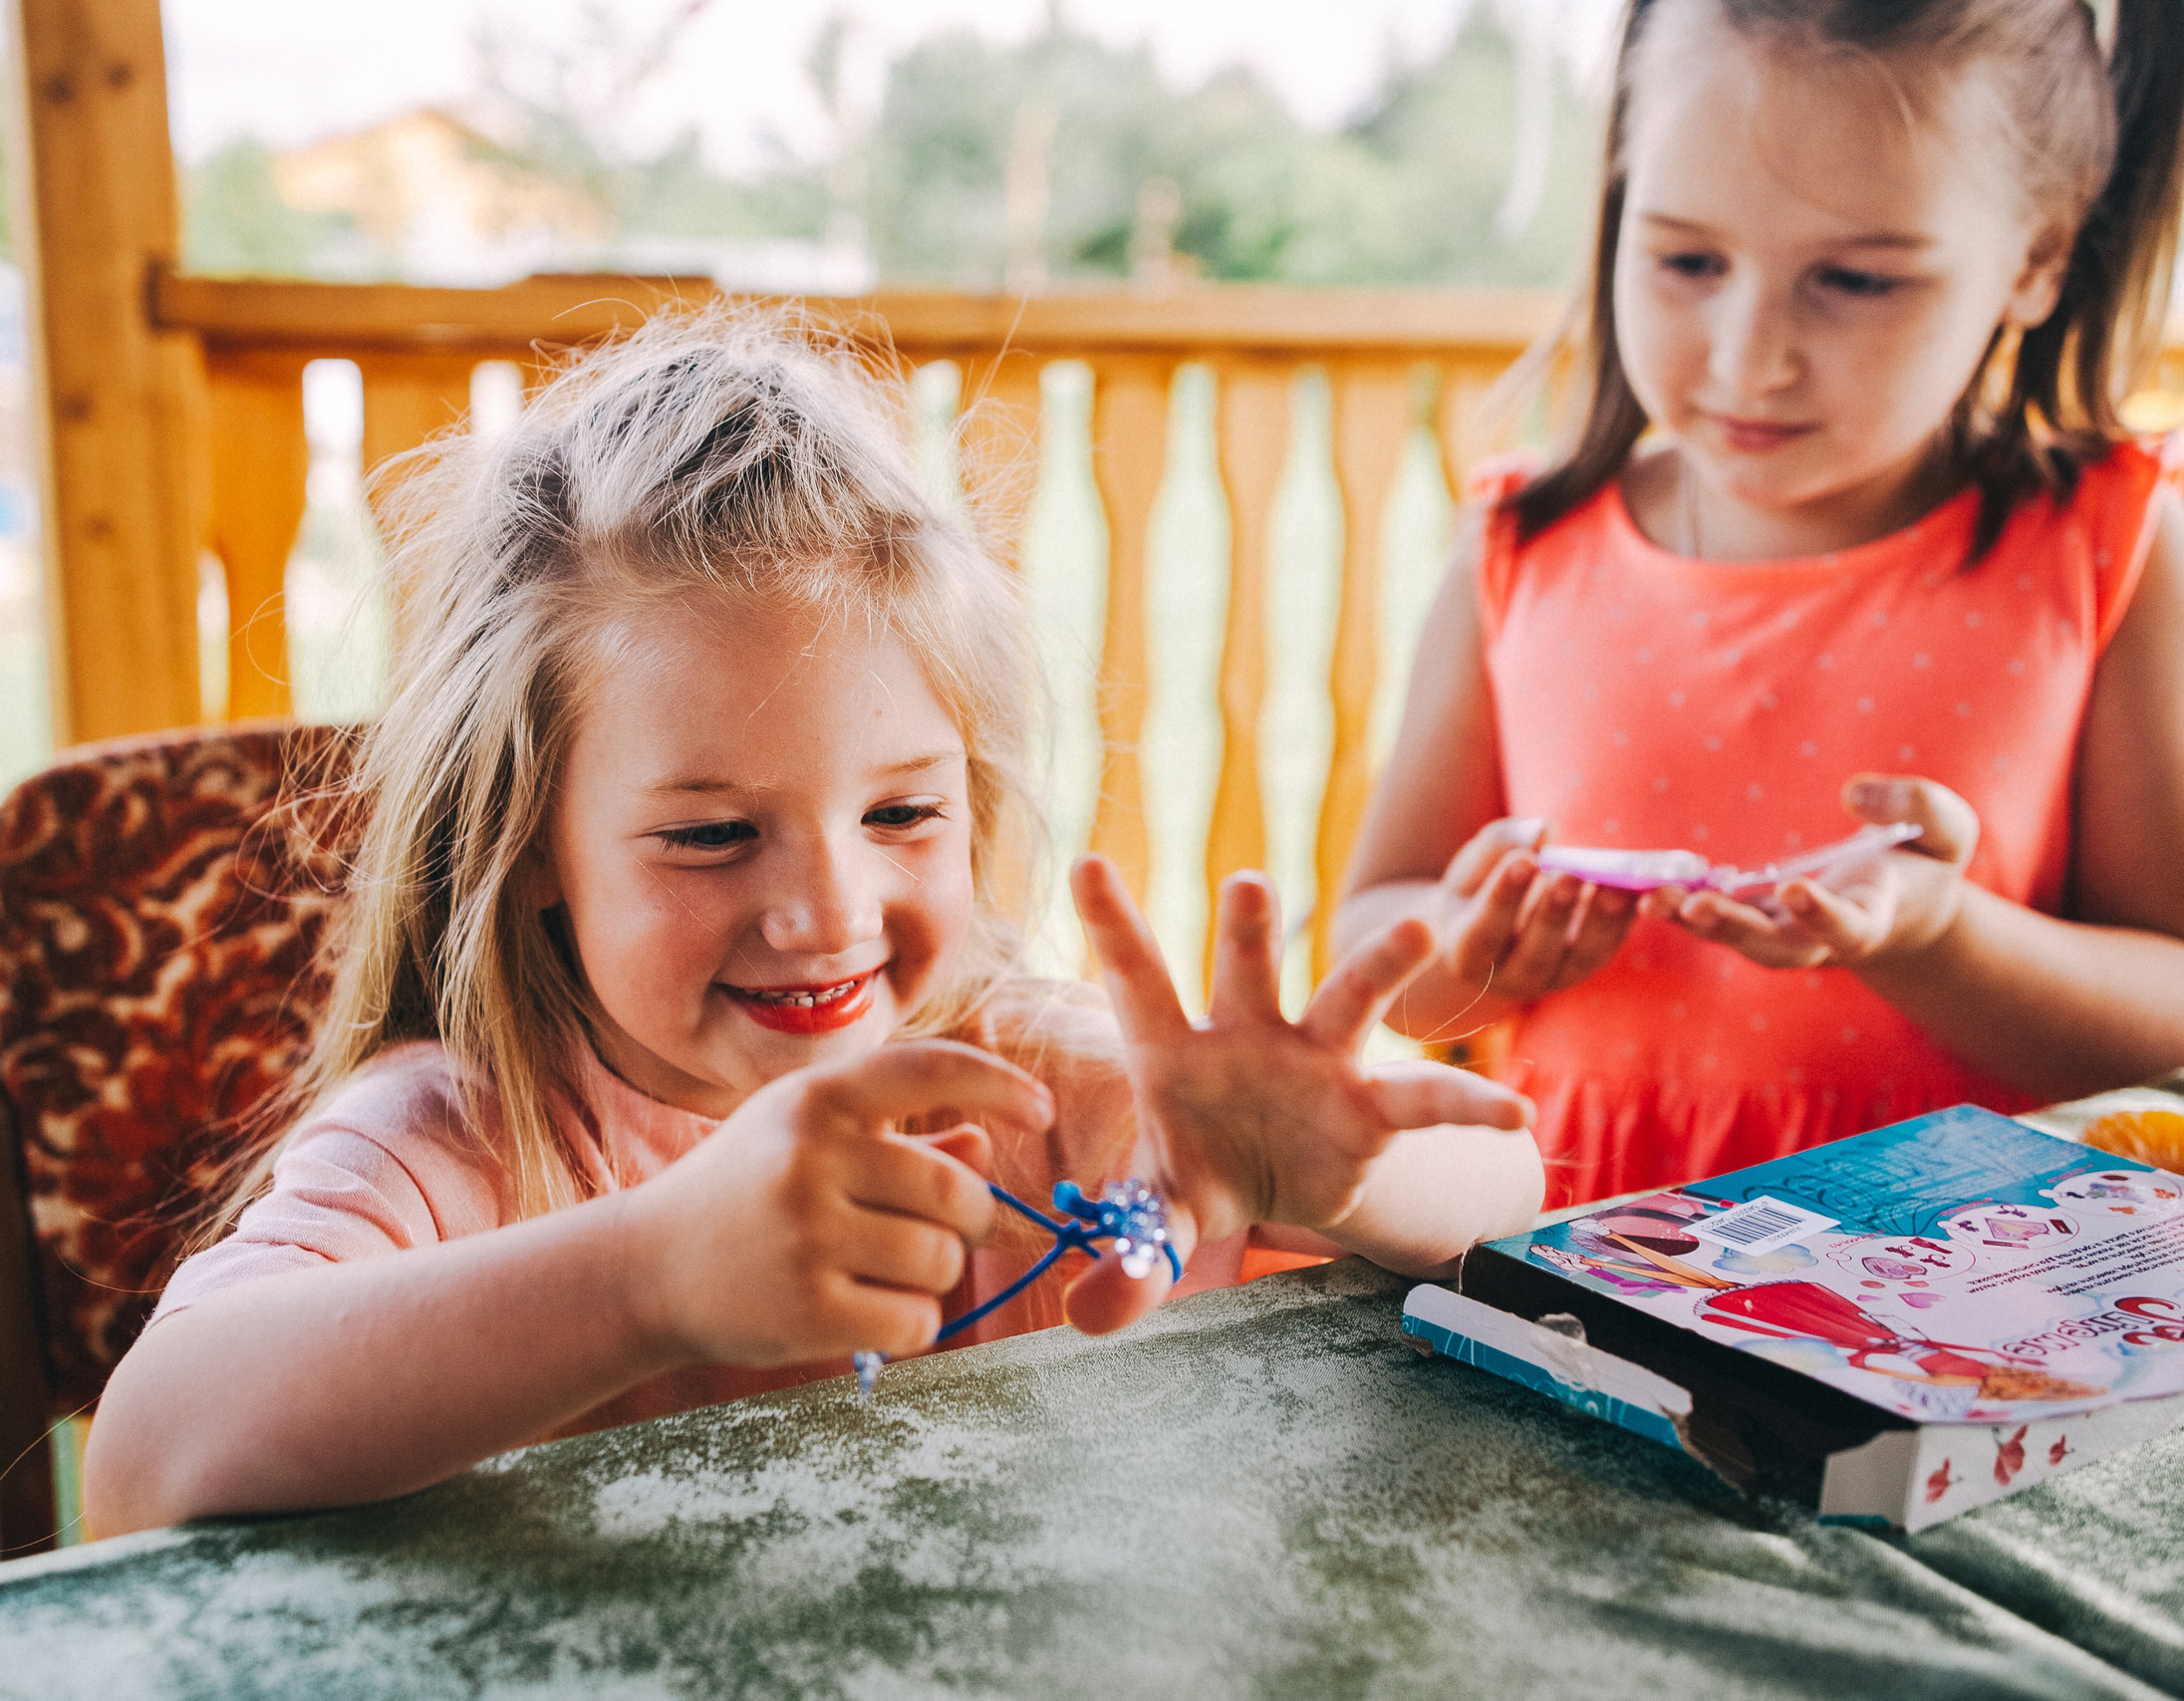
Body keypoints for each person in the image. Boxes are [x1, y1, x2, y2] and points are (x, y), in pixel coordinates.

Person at [81, 311, 1543, 1537]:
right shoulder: (468, 1137)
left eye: (904, 814)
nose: (832, 909)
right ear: (528, 844)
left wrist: (1336, 1164)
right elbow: (145, 1458)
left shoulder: (1040, 1081)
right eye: (713, 832)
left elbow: (1519, 1198)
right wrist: (653, 1271)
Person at [1341, 0, 2184, 1211]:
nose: (1750, 356)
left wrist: (1939, 936)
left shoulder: (2100, 547)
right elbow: (1377, 940)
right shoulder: (1521, 547)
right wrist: (1471, 952)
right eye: (1686, 260)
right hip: (1571, 1262)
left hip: (1953, 1289)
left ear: (2039, 258)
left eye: (1852, 279)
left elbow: (2163, 1026)